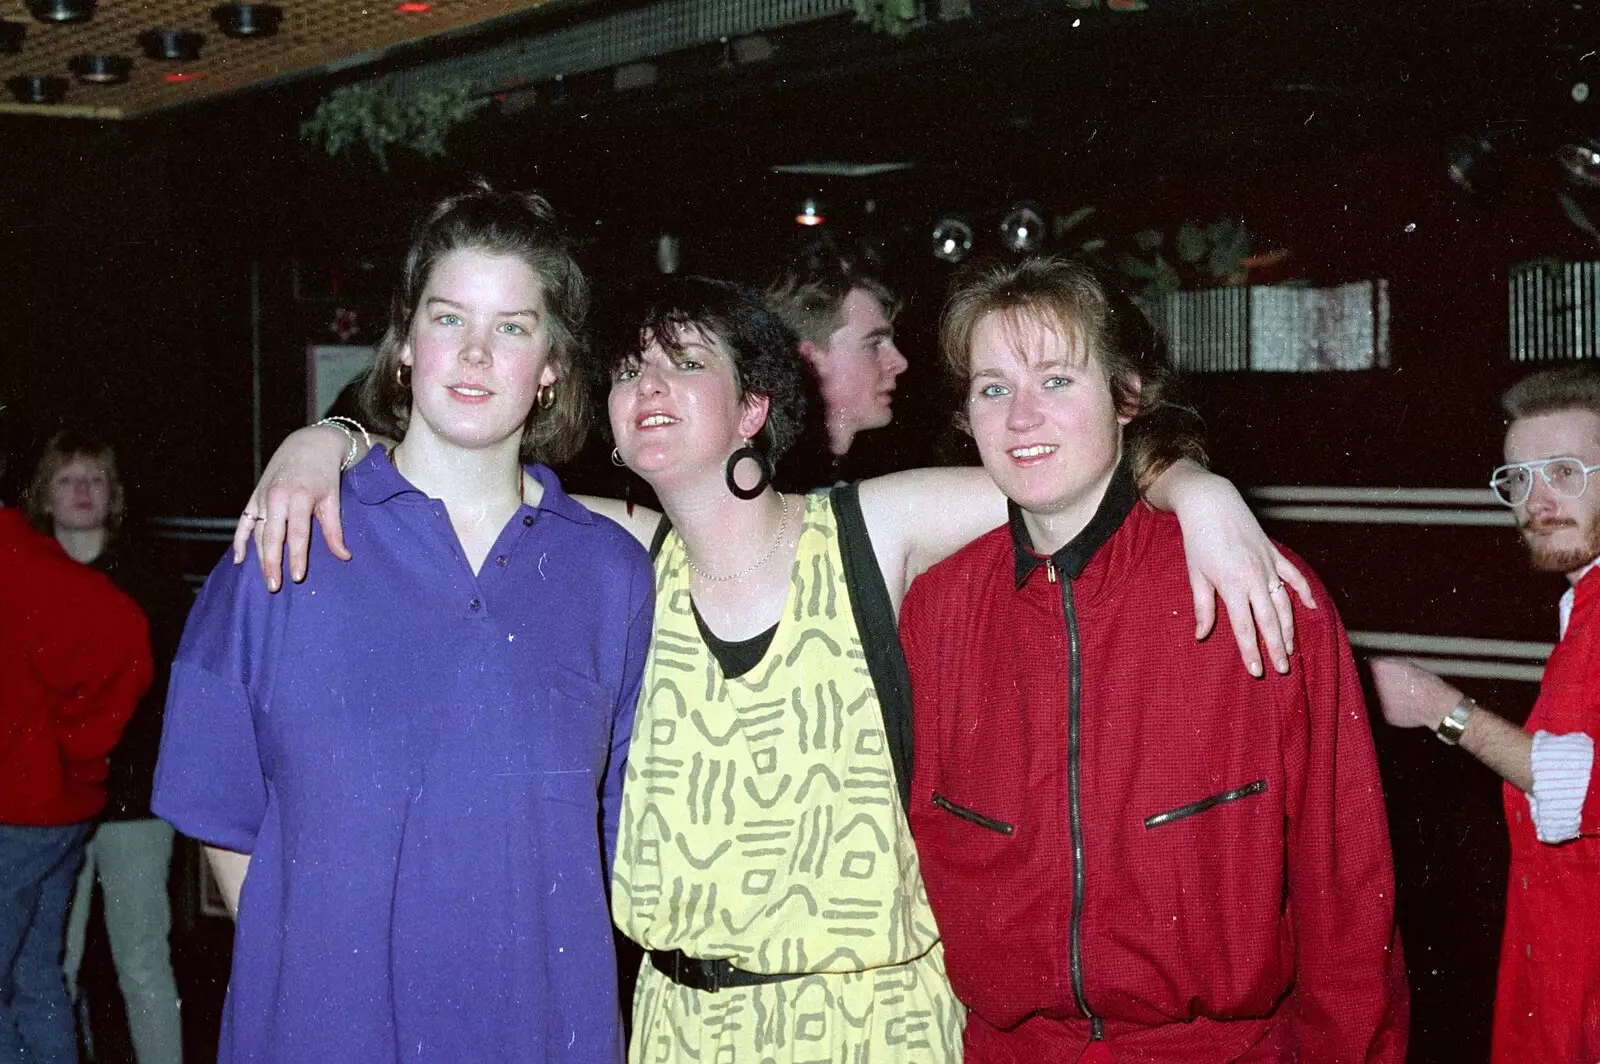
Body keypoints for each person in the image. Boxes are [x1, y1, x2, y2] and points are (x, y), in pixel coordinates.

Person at [234, 263, 1313, 1059]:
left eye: (685, 362)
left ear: (754, 405)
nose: (648, 382)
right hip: (676, 1029)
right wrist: (325, 437)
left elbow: (1061, 466)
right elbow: (447, 463)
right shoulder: (609, 556)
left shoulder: (867, 530)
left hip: (872, 1027)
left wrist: (1201, 493)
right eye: (630, 369)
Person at [151, 186, 653, 1063]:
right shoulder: (290, 534)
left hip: (537, 1032)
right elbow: (215, 804)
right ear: (405, 346)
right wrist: (306, 964)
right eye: (447, 316)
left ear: (552, 368)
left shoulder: (607, 573)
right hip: (324, 1031)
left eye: (511, 327)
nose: (472, 352)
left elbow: (616, 831)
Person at [899, 257, 1408, 1062]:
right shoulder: (936, 611)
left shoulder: (1255, 589)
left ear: (1128, 397)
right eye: (993, 389)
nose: (1021, 418)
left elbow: (1346, 890)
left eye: (1057, 381)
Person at [1371, 364, 1600, 1064]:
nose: (1537, 500)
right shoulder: (1581, 608)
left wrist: (1437, 706)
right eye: (1518, 479)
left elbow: (1579, 786)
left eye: (1564, 472)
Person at [25, 431, 188, 1064]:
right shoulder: (26, 575)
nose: (83, 491)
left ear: (112, 493)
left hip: (131, 805)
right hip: (46, 804)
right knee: (49, 963)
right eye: (68, 480)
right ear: (46, 494)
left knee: (143, 960)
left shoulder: (147, 582)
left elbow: (172, 690)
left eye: (95, 478)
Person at [0, 405, 152, 1064]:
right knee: (35, 976)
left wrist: (71, 753)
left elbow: (127, 653)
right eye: (68, 481)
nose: (82, 493)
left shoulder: (28, 563)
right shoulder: (31, 557)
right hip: (60, 810)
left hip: (26, 810)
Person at [766, 245, 908, 487]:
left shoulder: (838, 482)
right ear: (809, 360)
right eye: (874, 344)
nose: (900, 363)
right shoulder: (773, 495)